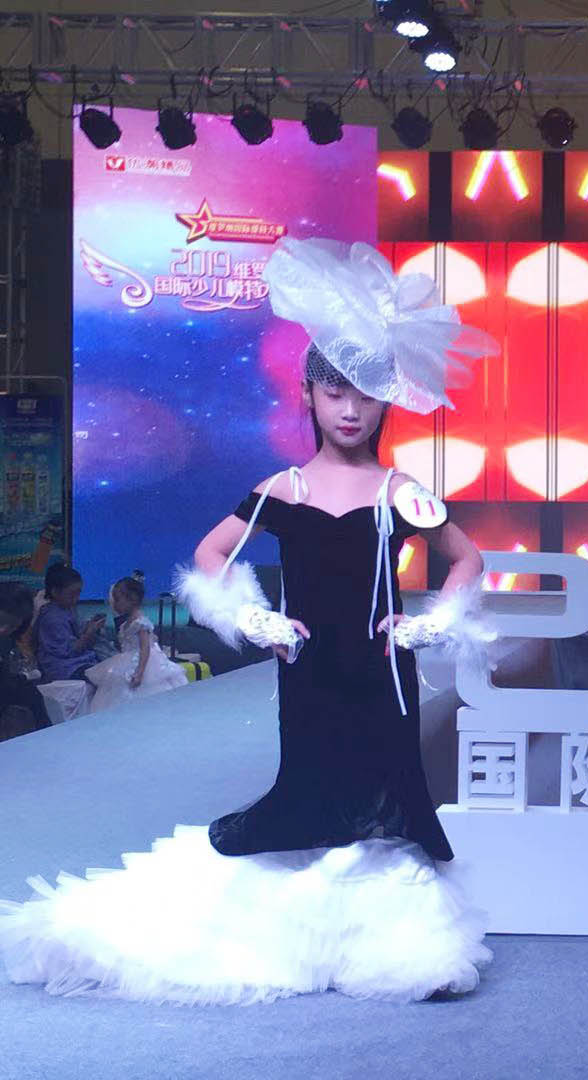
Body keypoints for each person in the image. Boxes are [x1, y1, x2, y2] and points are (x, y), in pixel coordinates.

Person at [1, 237, 499, 1004]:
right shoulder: (283, 488)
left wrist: (426, 627)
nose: (349, 408)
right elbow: (211, 553)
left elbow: (467, 559)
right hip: (310, 675)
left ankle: (396, 945)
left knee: (392, 798)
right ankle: (306, 928)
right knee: (312, 789)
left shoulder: (401, 491)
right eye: (334, 390)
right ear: (309, 394)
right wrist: (258, 621)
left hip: (384, 680)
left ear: (386, 400)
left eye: (365, 393)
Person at [85, 572, 189, 713]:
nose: (114, 604)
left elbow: (145, 648)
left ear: (132, 600)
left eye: (117, 599)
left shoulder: (140, 623)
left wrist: (140, 671)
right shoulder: (126, 623)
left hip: (145, 663)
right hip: (127, 660)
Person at [32, 565, 102, 684]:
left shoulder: (67, 609)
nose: (76, 598)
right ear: (55, 592)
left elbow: (76, 634)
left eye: (78, 593)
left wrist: (90, 626)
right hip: (62, 666)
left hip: (76, 660)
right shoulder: (52, 618)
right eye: (72, 594)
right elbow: (68, 651)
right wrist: (88, 634)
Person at [0, 581, 49, 739]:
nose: (3, 630)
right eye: (1, 621)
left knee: (31, 694)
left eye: (12, 626)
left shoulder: (6, 641)